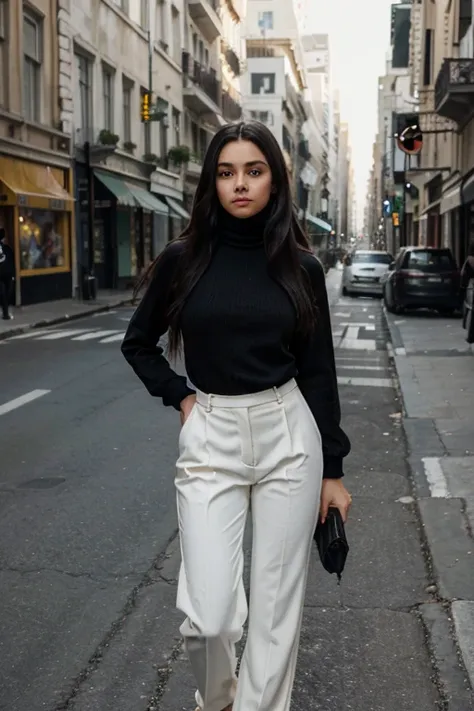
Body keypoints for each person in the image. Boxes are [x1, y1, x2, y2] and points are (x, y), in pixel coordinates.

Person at [121, 121, 352, 711]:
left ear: (274, 180)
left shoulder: (302, 268)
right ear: (212, 182)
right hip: (212, 434)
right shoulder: (183, 260)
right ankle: (219, 702)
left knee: (276, 616)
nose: (240, 184)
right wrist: (181, 396)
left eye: (254, 171)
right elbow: (138, 343)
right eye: (226, 173)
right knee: (209, 619)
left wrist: (333, 471)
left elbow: (319, 372)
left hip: (288, 436)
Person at [0, 227, 15, 320]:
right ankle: (5, 314)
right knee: (3, 294)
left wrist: (13, 274)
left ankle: (5, 312)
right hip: (1, 276)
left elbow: (11, 262)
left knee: (7, 293)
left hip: (8, 275)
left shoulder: (7, 249)